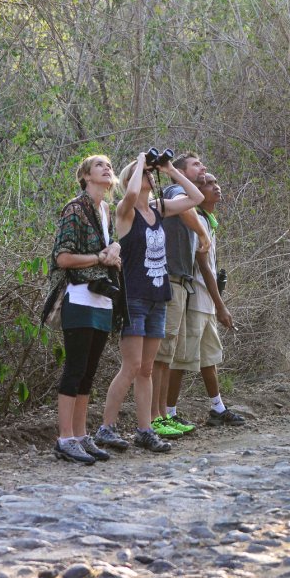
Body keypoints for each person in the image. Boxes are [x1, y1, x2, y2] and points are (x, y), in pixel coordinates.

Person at [94, 152, 203, 453]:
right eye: (145, 174)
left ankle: (145, 430)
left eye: (150, 175)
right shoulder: (125, 211)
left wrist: (169, 169)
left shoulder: (159, 209)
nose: (149, 178)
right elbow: (129, 193)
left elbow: (194, 197)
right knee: (130, 367)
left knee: (146, 369)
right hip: (134, 298)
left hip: (158, 297)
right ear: (132, 178)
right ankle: (106, 428)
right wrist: (141, 159)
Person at [48, 155, 123, 465]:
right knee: (75, 369)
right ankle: (64, 438)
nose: (107, 169)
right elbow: (62, 258)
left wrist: (115, 250)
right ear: (86, 177)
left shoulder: (107, 210)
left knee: (89, 373)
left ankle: (80, 435)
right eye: (99, 166)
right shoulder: (74, 209)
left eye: (108, 166)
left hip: (103, 299)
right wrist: (99, 258)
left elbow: (113, 245)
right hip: (79, 297)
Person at [151, 151, 212, 437]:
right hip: (168, 280)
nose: (202, 168)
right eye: (196, 165)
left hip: (179, 282)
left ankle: (163, 415)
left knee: (167, 355)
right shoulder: (176, 189)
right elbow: (186, 209)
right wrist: (202, 233)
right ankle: (155, 417)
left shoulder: (183, 191)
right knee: (160, 354)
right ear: (181, 171)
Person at [176, 172, 244, 426]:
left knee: (209, 357)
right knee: (181, 360)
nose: (216, 187)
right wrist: (221, 305)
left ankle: (217, 407)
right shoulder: (195, 220)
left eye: (216, 182)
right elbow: (203, 266)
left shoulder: (208, 219)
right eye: (208, 184)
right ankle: (169, 413)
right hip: (196, 299)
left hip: (206, 301)